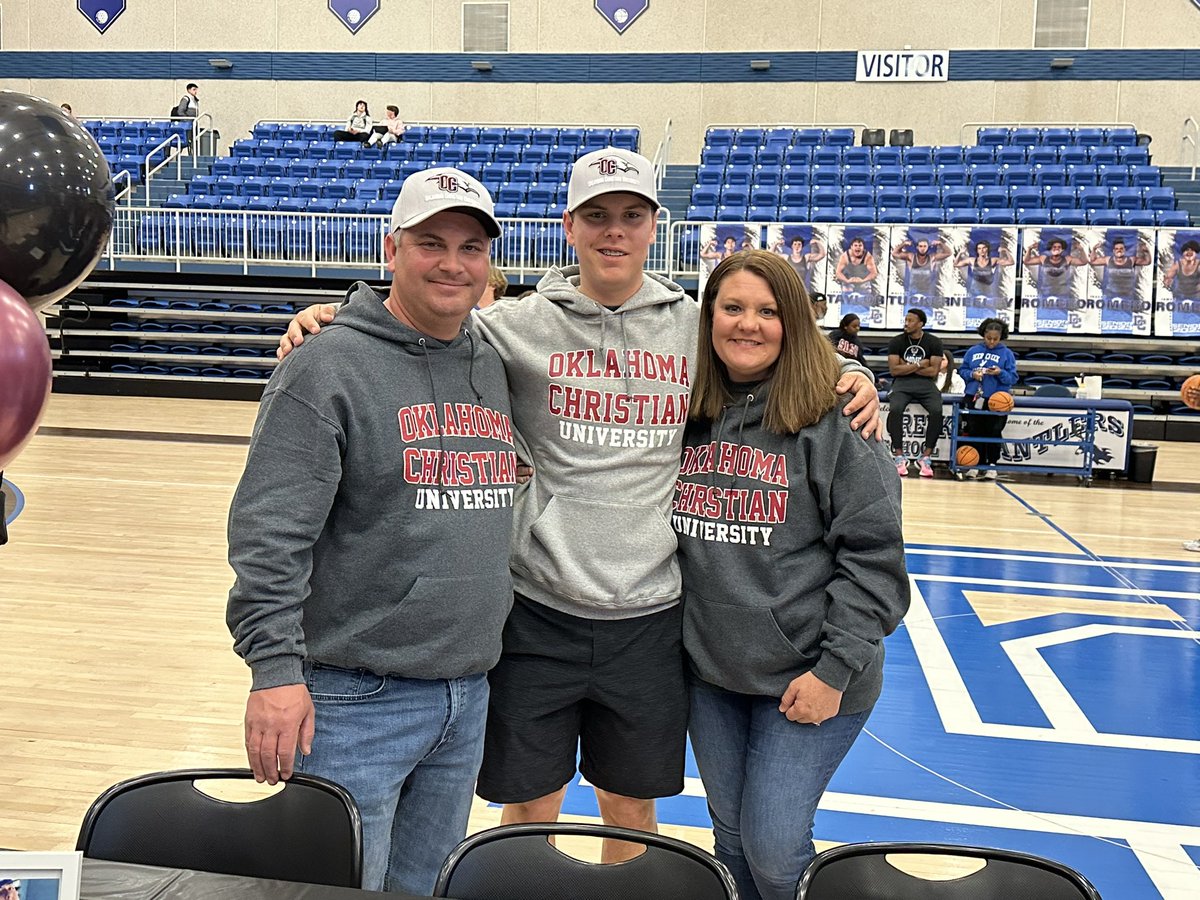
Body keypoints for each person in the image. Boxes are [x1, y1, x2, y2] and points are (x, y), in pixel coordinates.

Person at [275, 147, 882, 857]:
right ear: (571, 226)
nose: (614, 232)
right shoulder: (512, 326)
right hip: (539, 610)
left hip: (652, 616)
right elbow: (415, 324)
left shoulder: (698, 328)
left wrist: (855, 372)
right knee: (531, 805)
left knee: (630, 809)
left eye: (630, 216)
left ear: (655, 225)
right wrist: (331, 317)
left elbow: (776, 344)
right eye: (597, 216)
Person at [226, 167, 515, 895]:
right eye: (431, 243)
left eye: (471, 247)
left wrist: (846, 373)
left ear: (490, 264)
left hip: (467, 693)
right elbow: (269, 536)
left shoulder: (495, 357)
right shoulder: (325, 367)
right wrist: (275, 672)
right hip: (354, 699)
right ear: (392, 249)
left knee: (422, 888)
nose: (453, 263)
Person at [675, 250, 910, 900]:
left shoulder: (836, 415)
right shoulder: (693, 409)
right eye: (732, 308)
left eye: (768, 311)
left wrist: (834, 672)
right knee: (729, 844)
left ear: (795, 323)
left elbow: (877, 562)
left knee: (776, 851)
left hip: (810, 674)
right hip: (712, 675)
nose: (748, 324)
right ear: (710, 318)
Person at [886, 308, 944, 478]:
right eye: (906, 319)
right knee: (895, 409)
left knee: (936, 410)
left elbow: (933, 371)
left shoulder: (934, 342)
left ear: (921, 324)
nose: (907, 323)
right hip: (902, 384)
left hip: (926, 385)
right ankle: (899, 455)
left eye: (911, 320)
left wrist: (906, 366)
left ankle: (925, 457)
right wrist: (919, 365)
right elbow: (894, 371)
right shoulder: (897, 341)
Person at [958, 317, 1019, 480]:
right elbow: (962, 370)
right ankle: (976, 464)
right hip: (974, 396)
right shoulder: (972, 351)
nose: (991, 342)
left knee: (994, 432)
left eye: (995, 339)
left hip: (997, 399)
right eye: (988, 338)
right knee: (974, 431)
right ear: (983, 335)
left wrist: (1000, 373)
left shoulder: (1007, 354)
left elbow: (1013, 378)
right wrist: (972, 374)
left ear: (1001, 337)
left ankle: (992, 465)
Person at [1024, 237, 1087, 310]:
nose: (1056, 249)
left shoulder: (1067, 259)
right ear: (1050, 248)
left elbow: (1084, 262)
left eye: (1059, 247)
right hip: (1046, 292)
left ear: (1062, 249)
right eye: (1054, 247)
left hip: (1063, 293)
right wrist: (1029, 249)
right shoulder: (1043, 258)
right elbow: (1027, 261)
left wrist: (1081, 250)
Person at [891, 236, 951, 307]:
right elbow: (894, 253)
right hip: (912, 292)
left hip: (928, 292)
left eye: (925, 246)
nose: (922, 248)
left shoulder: (932, 258)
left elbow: (948, 253)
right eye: (921, 246)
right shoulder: (911, 257)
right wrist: (903, 244)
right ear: (917, 247)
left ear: (928, 247)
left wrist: (940, 243)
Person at [1162, 240, 1200, 311]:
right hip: (1180, 297)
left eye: (1192, 250)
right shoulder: (1177, 264)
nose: (1189, 252)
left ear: (1196, 253)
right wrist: (1167, 282)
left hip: (1197, 298)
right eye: (1187, 250)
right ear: (1183, 253)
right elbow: (1167, 278)